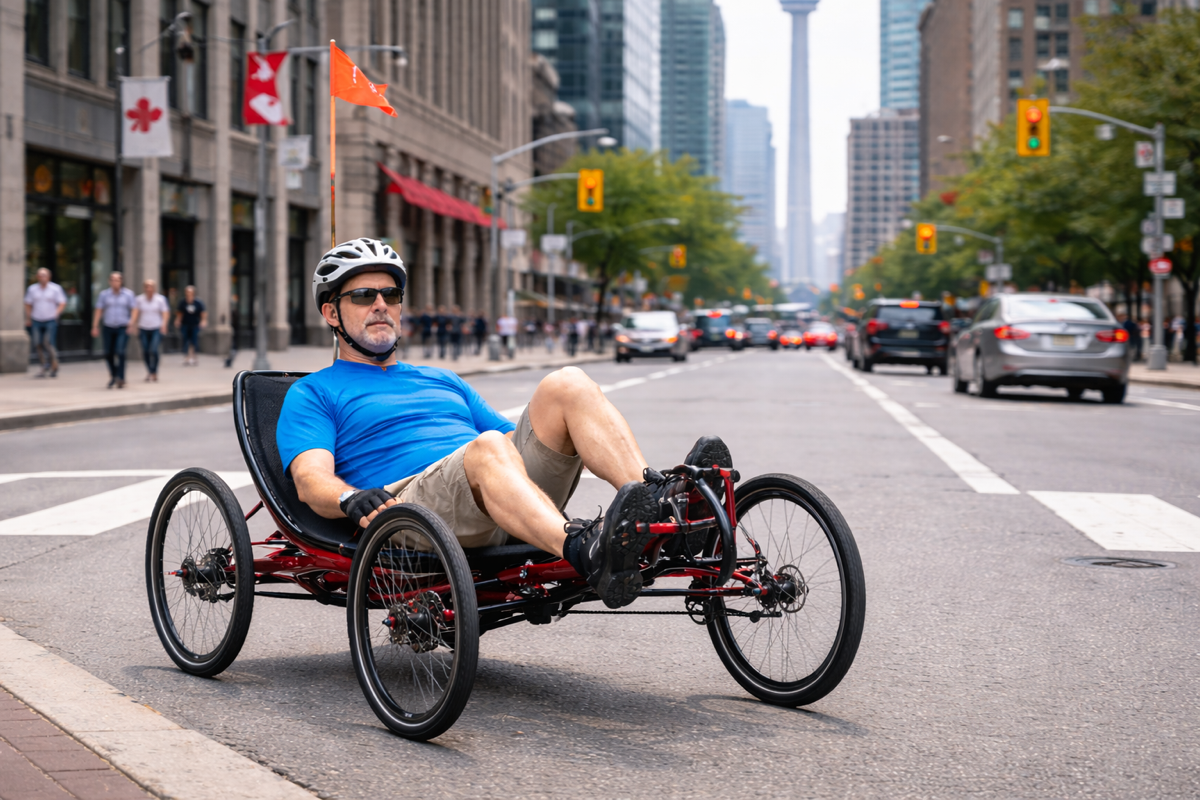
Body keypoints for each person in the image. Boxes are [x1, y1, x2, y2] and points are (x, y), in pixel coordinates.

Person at [277, 238, 733, 610]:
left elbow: (518, 444)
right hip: (410, 510)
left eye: (390, 295)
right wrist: (349, 496)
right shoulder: (314, 392)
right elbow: (310, 480)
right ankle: (585, 551)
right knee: (488, 447)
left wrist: (572, 439)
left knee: (567, 384)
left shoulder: (443, 379)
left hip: (497, 494)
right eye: (362, 296)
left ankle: (659, 508)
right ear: (331, 313)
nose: (380, 305)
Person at [91, 272, 136, 388]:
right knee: (108, 353)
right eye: (113, 279)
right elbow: (99, 310)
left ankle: (121, 377)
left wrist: (131, 323)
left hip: (122, 326)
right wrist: (95, 326)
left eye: (117, 279)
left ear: (121, 281)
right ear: (109, 281)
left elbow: (134, 309)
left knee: (120, 351)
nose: (115, 282)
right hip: (108, 327)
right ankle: (114, 374)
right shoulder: (104, 295)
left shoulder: (128, 294)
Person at [24, 267, 66, 378]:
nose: (42, 277)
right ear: (37, 277)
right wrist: (28, 318)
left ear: (49, 277)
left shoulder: (55, 289)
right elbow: (28, 304)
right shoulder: (32, 289)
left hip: (50, 320)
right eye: (40, 275)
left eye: (44, 275)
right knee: (38, 343)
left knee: (48, 342)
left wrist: (56, 314)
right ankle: (43, 366)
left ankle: (54, 364)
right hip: (36, 319)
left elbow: (62, 302)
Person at [130, 279, 170, 382]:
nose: (149, 289)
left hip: (156, 327)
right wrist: (133, 325)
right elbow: (135, 313)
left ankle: (154, 371)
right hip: (143, 327)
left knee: (154, 350)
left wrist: (164, 325)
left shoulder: (160, 299)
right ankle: (149, 371)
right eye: (146, 286)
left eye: (150, 286)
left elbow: (165, 312)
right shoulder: (139, 299)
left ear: (154, 288)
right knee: (146, 350)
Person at [174, 285, 207, 366]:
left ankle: (194, 356)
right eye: (187, 292)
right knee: (186, 340)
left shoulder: (198, 302)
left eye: (190, 292)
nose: (188, 293)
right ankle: (187, 356)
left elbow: (203, 313)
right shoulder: (183, 302)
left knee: (194, 340)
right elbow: (179, 313)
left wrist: (203, 321)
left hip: (195, 324)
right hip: (185, 324)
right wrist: (178, 320)